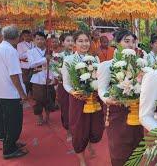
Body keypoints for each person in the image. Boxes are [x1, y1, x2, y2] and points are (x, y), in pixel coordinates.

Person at [98, 29, 144, 166]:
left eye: (133, 42)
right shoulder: (106, 66)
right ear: (117, 43)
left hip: (135, 113)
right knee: (119, 150)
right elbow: (102, 90)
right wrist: (107, 99)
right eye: (126, 41)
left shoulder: (139, 65)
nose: (131, 45)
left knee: (136, 148)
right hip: (116, 114)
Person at [62, 31, 104, 166]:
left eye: (86, 40)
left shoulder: (95, 59)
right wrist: (73, 92)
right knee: (79, 130)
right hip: (78, 100)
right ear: (74, 43)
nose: (84, 43)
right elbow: (66, 83)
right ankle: (81, 159)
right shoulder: (68, 60)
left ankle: (90, 143)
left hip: (94, 99)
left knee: (95, 127)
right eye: (80, 41)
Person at [0, 25, 28, 159]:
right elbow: (14, 74)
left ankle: (10, 144)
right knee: (14, 122)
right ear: (17, 37)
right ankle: (9, 150)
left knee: (4, 121)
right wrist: (22, 93)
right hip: (10, 93)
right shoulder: (10, 51)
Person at [27, 32, 55, 126]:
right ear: (34, 40)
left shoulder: (50, 51)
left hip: (49, 77)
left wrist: (53, 77)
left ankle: (48, 115)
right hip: (37, 78)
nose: (40, 41)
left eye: (42, 39)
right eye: (37, 39)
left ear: (45, 40)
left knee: (50, 97)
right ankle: (39, 116)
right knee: (38, 99)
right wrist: (44, 60)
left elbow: (54, 64)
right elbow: (31, 64)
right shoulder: (30, 52)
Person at [57, 33, 74, 142]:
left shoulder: (78, 55)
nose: (70, 43)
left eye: (72, 40)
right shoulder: (59, 56)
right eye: (68, 40)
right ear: (63, 43)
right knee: (66, 108)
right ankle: (68, 131)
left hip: (76, 86)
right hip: (63, 85)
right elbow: (55, 70)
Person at [17, 30, 34, 95]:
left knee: (33, 82)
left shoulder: (34, 43)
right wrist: (29, 52)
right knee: (25, 82)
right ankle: (25, 96)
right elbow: (20, 56)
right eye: (25, 36)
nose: (27, 37)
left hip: (33, 66)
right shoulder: (20, 45)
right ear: (22, 36)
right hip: (25, 66)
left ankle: (33, 96)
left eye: (28, 35)